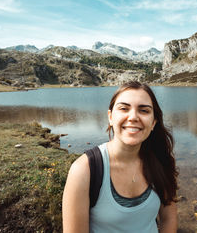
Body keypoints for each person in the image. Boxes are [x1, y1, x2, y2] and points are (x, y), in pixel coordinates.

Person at [62, 81, 178, 232]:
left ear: (154, 122)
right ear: (110, 117)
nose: (133, 117)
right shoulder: (85, 170)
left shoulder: (160, 161)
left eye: (144, 110)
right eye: (124, 108)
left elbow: (169, 218)